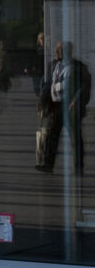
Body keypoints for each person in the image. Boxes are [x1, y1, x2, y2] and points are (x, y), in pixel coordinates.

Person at [37, 38, 89, 175]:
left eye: (59, 50)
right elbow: (48, 86)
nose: (56, 52)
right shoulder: (53, 65)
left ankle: (78, 167)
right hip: (55, 105)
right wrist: (42, 103)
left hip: (70, 106)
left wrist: (76, 101)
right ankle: (47, 164)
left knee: (75, 137)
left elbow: (84, 86)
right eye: (56, 49)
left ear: (68, 51)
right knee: (51, 135)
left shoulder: (78, 67)